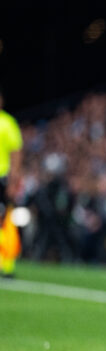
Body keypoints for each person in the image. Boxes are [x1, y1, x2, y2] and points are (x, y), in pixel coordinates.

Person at [0, 88, 23, 277]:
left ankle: (6, 264)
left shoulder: (7, 123)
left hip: (2, 178)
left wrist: (13, 181)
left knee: (5, 221)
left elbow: (16, 154)